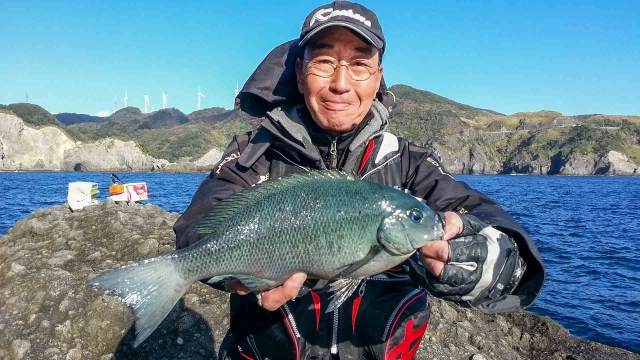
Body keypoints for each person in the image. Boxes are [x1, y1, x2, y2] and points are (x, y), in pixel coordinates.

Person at [174, 2, 545, 359]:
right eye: (324, 62)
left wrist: (492, 257)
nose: (340, 83)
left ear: (378, 76)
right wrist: (230, 274)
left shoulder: (410, 165)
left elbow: (488, 221)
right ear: (301, 73)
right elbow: (201, 222)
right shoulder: (253, 153)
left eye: (359, 64)